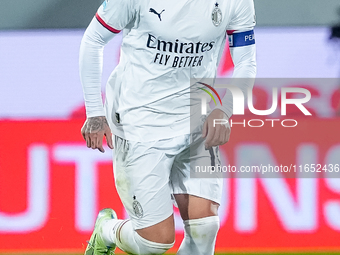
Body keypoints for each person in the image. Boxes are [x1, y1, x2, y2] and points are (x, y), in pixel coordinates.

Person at [79, 0, 256, 254]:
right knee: (154, 243)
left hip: (197, 120)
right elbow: (93, 39)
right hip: (140, 122)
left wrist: (224, 110)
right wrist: (95, 112)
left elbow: (246, 62)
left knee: (205, 229)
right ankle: (106, 230)